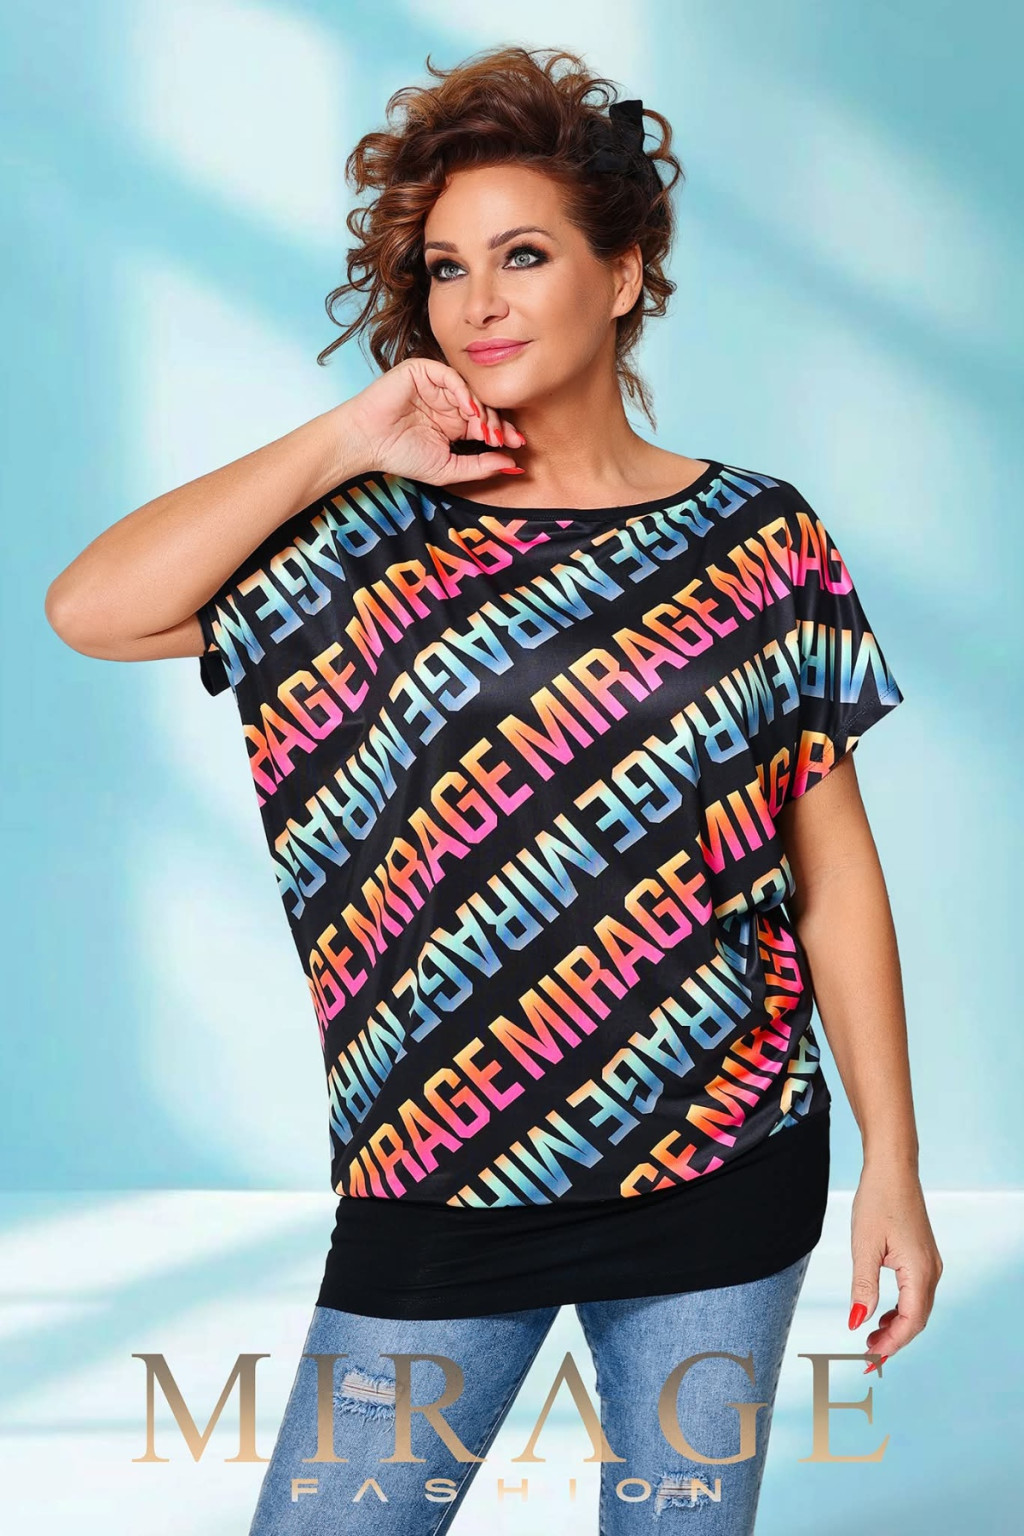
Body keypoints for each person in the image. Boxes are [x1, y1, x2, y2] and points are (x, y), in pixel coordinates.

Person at [45, 43, 942, 1536]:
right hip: (439, 1180)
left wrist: (893, 1167)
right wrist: (346, 439)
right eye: (449, 269)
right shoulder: (370, 538)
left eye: (524, 255)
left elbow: (831, 868)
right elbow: (94, 608)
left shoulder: (760, 536)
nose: (480, 302)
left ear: (626, 273)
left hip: (727, 1161)